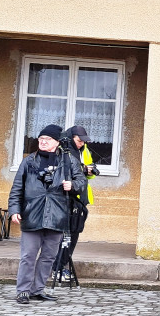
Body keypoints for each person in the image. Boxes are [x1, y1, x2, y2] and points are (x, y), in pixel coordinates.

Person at [8, 124, 86, 305]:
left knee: (49, 256)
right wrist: (14, 210)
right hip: (32, 213)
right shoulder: (29, 161)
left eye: (47, 139)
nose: (42, 142)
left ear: (56, 142)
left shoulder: (67, 161)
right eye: (40, 139)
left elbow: (81, 180)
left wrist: (72, 185)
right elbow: (17, 188)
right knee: (28, 255)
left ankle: (37, 290)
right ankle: (23, 291)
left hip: (57, 214)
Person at [63, 125, 96, 254]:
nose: (81, 144)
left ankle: (65, 262)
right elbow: (64, 172)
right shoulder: (63, 149)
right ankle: (59, 265)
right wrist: (83, 169)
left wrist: (90, 170)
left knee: (75, 232)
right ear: (71, 138)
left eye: (83, 141)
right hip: (66, 198)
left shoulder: (84, 150)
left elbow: (88, 175)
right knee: (64, 236)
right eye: (79, 141)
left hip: (81, 197)